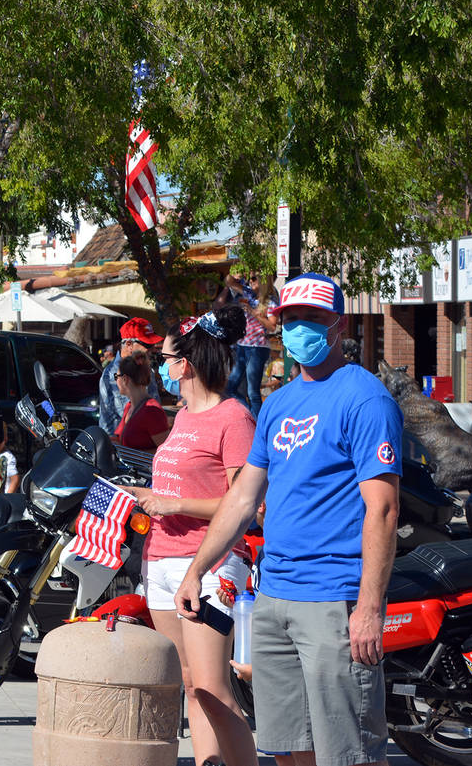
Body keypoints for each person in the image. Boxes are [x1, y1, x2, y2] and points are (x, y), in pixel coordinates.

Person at [171, 272, 402, 766]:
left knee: (347, 751)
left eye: (311, 319)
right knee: (288, 747)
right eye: (290, 319)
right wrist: (197, 569)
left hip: (334, 600)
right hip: (276, 596)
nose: (299, 329)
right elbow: (241, 498)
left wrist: (368, 608)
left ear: (337, 325)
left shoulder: (364, 398)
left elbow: (382, 509)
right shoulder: (276, 405)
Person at [127, 305, 257, 766]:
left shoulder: (233, 417)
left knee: (212, 688)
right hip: (161, 560)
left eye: (165, 357)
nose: (159, 366)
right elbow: (176, 486)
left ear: (188, 363)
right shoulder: (181, 417)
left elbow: (247, 502)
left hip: (207, 562)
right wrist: (146, 495)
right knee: (190, 684)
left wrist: (175, 504)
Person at [227, 272, 278, 418]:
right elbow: (229, 282)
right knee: (231, 386)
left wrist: (253, 312)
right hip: (243, 345)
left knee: (253, 392)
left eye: (254, 278)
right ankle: (248, 415)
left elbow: (272, 326)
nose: (250, 281)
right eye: (249, 278)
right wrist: (235, 272)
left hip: (257, 347)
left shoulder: (271, 301)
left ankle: (257, 424)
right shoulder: (248, 294)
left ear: (263, 280)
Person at [99, 317, 162, 434]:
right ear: (129, 345)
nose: (153, 349)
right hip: (120, 447)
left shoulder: (144, 367)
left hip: (141, 439)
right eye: (147, 345)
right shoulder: (113, 374)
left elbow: (154, 406)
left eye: (153, 344)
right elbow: (131, 415)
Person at [111, 353, 170, 452]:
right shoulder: (129, 407)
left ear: (125, 379)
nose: (116, 381)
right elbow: (122, 441)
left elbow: (166, 452)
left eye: (116, 377)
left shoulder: (151, 411)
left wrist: (132, 454)